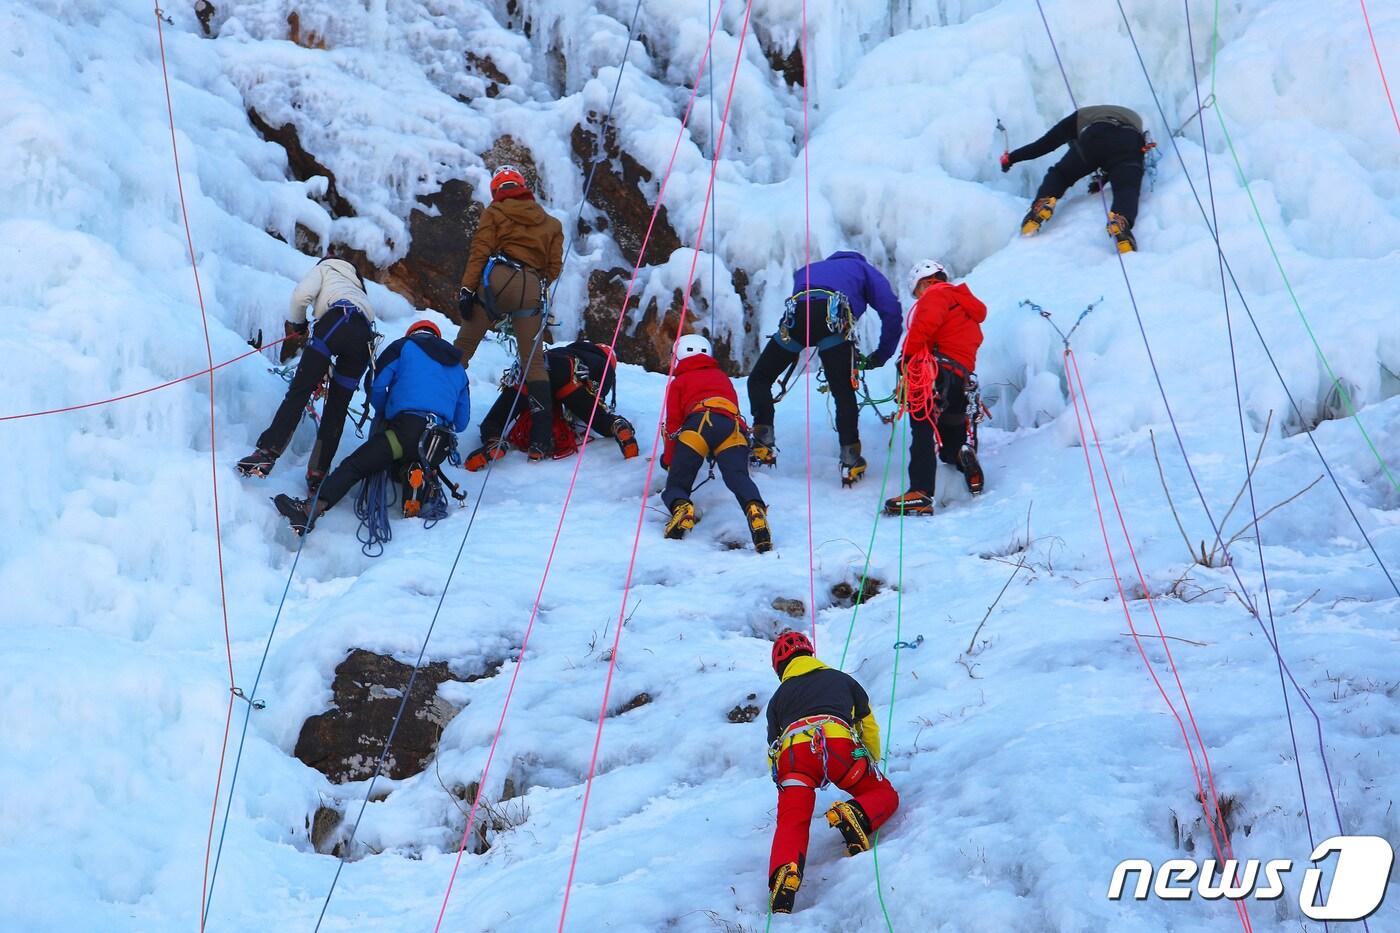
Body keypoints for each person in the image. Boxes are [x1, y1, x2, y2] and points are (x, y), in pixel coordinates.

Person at [272, 320, 470, 535]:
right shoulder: (458, 367)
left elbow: (377, 383)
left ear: (412, 333)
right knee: (413, 458)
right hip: (438, 444)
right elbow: (461, 422)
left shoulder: (403, 346)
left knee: (356, 465)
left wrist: (386, 411)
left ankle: (309, 511)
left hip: (405, 431)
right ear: (438, 338)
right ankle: (414, 479)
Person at [765, 631, 899, 914]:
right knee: (882, 793)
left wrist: (784, 785)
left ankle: (784, 874)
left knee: (792, 821)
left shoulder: (777, 698)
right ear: (810, 654)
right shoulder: (842, 680)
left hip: (793, 757)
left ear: (779, 668)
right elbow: (868, 725)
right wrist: (870, 759)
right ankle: (857, 814)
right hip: (836, 747)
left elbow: (773, 749)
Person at [745, 251, 902, 484]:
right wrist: (881, 355)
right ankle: (850, 457)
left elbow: (803, 308)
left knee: (759, 378)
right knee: (842, 391)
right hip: (833, 320)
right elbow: (892, 311)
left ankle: (762, 441)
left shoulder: (807, 269)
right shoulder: (864, 269)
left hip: (796, 319)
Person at [237, 253, 377, 492]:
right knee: (337, 408)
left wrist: (299, 324)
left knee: (301, 390)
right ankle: (318, 475)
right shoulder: (358, 288)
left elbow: (300, 295)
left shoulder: (326, 268)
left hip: (337, 320)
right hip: (364, 337)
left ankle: (267, 453)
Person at [452, 166, 564, 458]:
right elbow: (554, 267)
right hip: (530, 286)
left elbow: (480, 251)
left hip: (498, 280)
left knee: (463, 348)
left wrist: (467, 290)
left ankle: (435, 416)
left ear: (496, 191)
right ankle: (540, 442)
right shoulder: (551, 224)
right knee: (533, 363)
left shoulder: (495, 211)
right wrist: (532, 284)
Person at [884, 260, 986, 517]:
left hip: (934, 372)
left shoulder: (937, 293)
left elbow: (923, 327)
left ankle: (920, 491)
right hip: (961, 378)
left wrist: (906, 359)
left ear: (925, 282)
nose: (919, 297)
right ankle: (961, 456)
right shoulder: (965, 306)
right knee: (951, 432)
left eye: (918, 291)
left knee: (922, 426)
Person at [662, 334, 771, 553]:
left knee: (677, 485)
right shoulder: (722, 377)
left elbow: (673, 425)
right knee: (738, 477)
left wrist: (670, 460)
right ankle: (755, 508)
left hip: (698, 425)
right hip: (732, 427)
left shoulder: (679, 382)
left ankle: (682, 506)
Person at [463, 339, 639, 469]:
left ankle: (494, 441)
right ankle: (616, 425)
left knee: (495, 420)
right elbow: (597, 396)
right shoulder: (603, 365)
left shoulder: (568, 349)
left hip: (534, 369)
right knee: (599, 419)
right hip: (569, 378)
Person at [1001, 105, 1147, 252]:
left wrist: (1011, 158)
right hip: (1130, 138)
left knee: (1061, 174)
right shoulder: (1134, 118)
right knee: (1127, 187)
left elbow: (1043, 145)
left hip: (1095, 135)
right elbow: (1116, 162)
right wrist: (1103, 180)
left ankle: (1043, 202)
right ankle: (1121, 221)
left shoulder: (1079, 116)